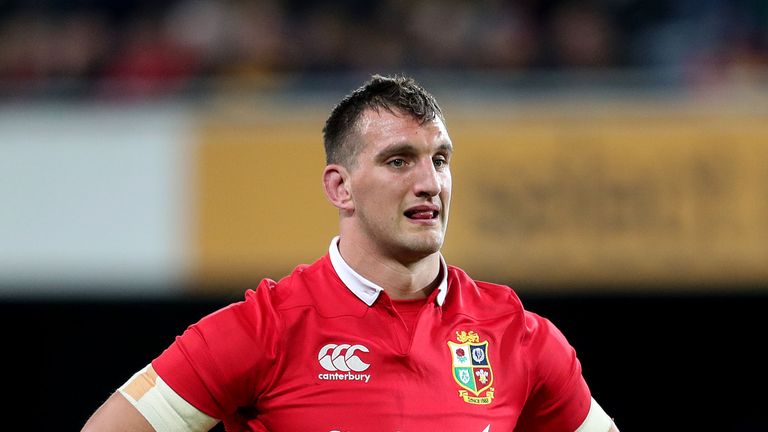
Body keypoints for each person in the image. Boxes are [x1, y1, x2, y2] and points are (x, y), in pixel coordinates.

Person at [82, 74, 619, 432]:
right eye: (399, 161)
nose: (430, 182)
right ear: (340, 188)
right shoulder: (262, 330)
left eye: (441, 159)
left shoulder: (518, 335)